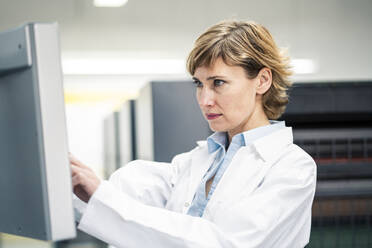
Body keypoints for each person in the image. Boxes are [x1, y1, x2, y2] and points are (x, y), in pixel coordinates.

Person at [70, 20, 317, 247]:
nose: (205, 100)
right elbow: (127, 191)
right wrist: (73, 183)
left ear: (262, 81)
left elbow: (222, 243)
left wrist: (102, 197)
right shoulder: (196, 162)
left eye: (218, 83)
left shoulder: (292, 168)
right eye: (199, 84)